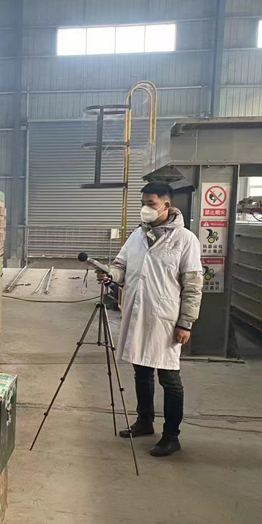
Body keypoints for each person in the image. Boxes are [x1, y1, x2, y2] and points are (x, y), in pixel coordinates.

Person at [97, 183, 203, 457]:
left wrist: (186, 322)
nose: (145, 208)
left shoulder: (185, 240)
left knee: (169, 379)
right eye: (143, 203)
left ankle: (171, 435)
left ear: (166, 206)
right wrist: (111, 275)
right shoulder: (137, 235)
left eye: (151, 204)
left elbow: (193, 285)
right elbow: (121, 266)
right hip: (137, 314)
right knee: (141, 372)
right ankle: (145, 421)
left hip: (166, 320)